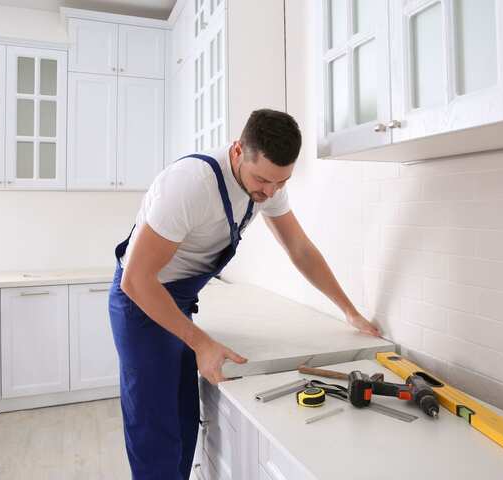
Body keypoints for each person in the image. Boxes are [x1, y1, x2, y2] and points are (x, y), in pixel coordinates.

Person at [108, 108, 380, 479]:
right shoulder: (190, 184)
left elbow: (299, 249)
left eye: (281, 183)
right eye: (263, 180)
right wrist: (202, 344)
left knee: (184, 415)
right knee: (155, 427)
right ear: (238, 151)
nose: (270, 192)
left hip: (179, 301)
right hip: (142, 303)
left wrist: (349, 311)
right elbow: (136, 280)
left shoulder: (266, 186)